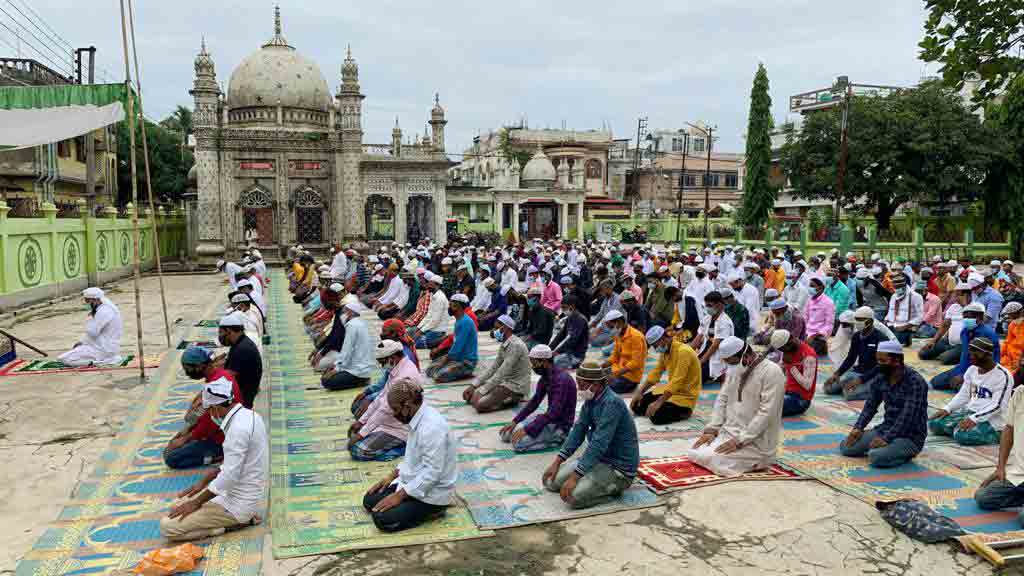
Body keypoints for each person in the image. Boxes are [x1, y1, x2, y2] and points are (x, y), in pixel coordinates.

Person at [159, 377, 268, 541]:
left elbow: (229, 477)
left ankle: (231, 525)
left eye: (209, 410)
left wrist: (197, 502)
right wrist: (205, 480)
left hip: (237, 506)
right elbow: (233, 465)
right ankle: (236, 517)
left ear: (216, 408)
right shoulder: (250, 416)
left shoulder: (237, 430)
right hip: (235, 495)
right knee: (177, 505)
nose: (209, 415)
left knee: (168, 527)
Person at [363, 379, 457, 532]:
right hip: (414, 481)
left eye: (395, 410)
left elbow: (432, 474)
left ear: (407, 406)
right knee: (369, 501)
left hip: (432, 492)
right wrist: (391, 476)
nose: (394, 414)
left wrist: (399, 496)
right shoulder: (417, 417)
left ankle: (435, 510)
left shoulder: (431, 427)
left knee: (382, 520)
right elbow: (413, 460)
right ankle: (409, 503)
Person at [542, 361, 639, 510]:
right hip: (599, 459)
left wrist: (575, 476)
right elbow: (578, 430)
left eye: (581, 384)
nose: (579, 388)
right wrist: (558, 461)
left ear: (595, 384)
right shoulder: (591, 400)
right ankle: (591, 476)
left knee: (572, 497)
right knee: (552, 483)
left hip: (618, 467)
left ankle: (614, 489)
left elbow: (599, 444)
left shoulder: (612, 403)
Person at [689, 336, 786, 477]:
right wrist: (712, 429)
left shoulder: (772, 372)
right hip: (729, 434)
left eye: (731, 362)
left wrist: (741, 440)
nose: (729, 367)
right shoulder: (735, 370)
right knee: (695, 451)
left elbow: (767, 412)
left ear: (745, 356)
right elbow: (722, 399)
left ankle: (760, 462)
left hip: (757, 442)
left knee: (714, 460)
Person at [840, 341, 929, 468]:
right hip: (886, 428)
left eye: (883, 361)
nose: (879, 365)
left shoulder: (915, 382)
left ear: (896, 360)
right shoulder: (881, 377)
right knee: (846, 447)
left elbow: (907, 418)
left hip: (910, 436)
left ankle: (906, 453)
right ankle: (889, 449)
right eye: (878, 361)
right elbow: (870, 406)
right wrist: (858, 428)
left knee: (875, 456)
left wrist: (886, 439)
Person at [164, 347, 241, 469]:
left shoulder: (214, 387)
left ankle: (217, 455)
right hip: (222, 431)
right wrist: (187, 430)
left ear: (199, 366)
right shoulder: (220, 376)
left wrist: (187, 438)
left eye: (188, 369)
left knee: (171, 458)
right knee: (175, 442)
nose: (187, 373)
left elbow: (209, 423)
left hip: (223, 439)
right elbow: (203, 413)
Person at [929, 337, 1012, 446]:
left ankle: (998, 434)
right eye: (970, 351)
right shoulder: (972, 370)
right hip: (971, 411)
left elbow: (998, 405)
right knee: (935, 424)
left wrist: (974, 419)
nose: (970, 355)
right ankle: (959, 429)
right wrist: (948, 408)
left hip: (992, 418)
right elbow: (963, 395)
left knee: (962, 435)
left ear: (988, 354)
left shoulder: (1003, 375)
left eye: (975, 352)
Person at [348, 341, 418, 461]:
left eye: (382, 362)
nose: (382, 366)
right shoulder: (396, 369)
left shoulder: (405, 374)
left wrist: (362, 434)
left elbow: (386, 409)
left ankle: (404, 448)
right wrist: (361, 421)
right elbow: (381, 397)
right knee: (356, 435)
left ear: (392, 358)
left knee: (358, 451)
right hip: (387, 423)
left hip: (399, 428)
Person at [500, 345, 577, 452]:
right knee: (507, 436)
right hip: (550, 419)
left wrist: (528, 429)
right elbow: (535, 402)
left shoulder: (561, 380)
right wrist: (515, 421)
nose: (533, 367)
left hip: (560, 425)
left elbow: (554, 412)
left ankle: (558, 438)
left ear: (544, 362)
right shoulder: (545, 378)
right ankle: (543, 435)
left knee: (519, 445)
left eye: (534, 363)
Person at [630, 326, 701, 424]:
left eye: (655, 345)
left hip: (685, 397)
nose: (655, 349)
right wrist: (640, 392)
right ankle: (664, 405)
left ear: (663, 339)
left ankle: (685, 412)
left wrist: (659, 402)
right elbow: (656, 373)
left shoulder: (684, 351)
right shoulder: (665, 353)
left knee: (656, 416)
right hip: (672, 393)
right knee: (638, 404)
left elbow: (677, 380)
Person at [463, 314, 530, 412]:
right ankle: (497, 397)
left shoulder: (516, 346)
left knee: (479, 405)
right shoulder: (504, 344)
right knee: (470, 396)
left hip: (515, 386)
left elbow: (501, 372)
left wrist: (482, 390)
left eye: (496, 328)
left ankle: (514, 399)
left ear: (506, 328)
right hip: (504, 382)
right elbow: (493, 368)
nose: (494, 331)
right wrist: (474, 385)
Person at [931, 302, 1001, 391]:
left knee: (966, 390)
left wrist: (964, 375)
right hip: (964, 367)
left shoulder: (987, 334)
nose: (966, 319)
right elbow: (965, 355)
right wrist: (961, 372)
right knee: (935, 382)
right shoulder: (965, 332)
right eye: (965, 317)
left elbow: (988, 362)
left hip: (983, 371)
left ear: (979, 317)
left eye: (969, 317)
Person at [823, 307, 887, 401]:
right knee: (828, 388)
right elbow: (851, 358)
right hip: (857, 372)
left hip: (873, 375)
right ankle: (851, 386)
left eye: (860, 320)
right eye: (856, 319)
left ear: (870, 321)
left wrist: (861, 380)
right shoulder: (856, 336)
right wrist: (837, 374)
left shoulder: (881, 338)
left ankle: (877, 390)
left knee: (849, 394)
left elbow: (881, 366)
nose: (857, 322)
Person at [58, 287, 124, 367]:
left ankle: (102, 362)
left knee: (64, 359)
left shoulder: (104, 311)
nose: (86, 304)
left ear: (95, 300)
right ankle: (106, 358)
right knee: (74, 352)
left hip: (103, 348)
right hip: (104, 346)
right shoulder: (105, 308)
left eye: (87, 301)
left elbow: (92, 332)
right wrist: (82, 342)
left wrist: (89, 319)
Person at [322, 302, 375, 391]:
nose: (343, 314)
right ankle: (361, 380)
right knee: (328, 372)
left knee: (326, 381)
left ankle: (359, 381)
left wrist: (337, 369)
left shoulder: (352, 325)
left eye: (345, 311)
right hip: (364, 370)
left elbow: (347, 351)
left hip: (357, 371)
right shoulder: (362, 323)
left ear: (351, 312)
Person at [425, 294, 478, 382]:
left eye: (451, 305)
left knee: (438, 376)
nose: (449, 308)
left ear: (459, 306)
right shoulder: (459, 320)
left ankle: (467, 372)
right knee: (429, 371)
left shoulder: (465, 322)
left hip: (466, 362)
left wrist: (444, 362)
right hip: (458, 358)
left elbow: (457, 348)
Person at [918, 281, 970, 364]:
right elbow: (945, 325)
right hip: (948, 342)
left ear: (966, 295)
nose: (955, 297)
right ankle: (949, 351)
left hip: (963, 344)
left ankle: (953, 353)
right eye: (955, 295)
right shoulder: (954, 307)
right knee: (923, 354)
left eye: (957, 295)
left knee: (944, 359)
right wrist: (934, 341)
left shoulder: (974, 308)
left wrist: (965, 304)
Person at [220, 311, 263, 409]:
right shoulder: (241, 342)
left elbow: (227, 377)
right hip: (244, 394)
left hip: (241, 401)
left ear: (229, 330)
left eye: (221, 332)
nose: (220, 336)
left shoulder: (242, 349)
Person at [770, 329, 817, 416]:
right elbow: (780, 370)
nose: (783, 352)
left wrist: (791, 366)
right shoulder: (789, 350)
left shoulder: (808, 355)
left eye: (783, 350)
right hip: (787, 392)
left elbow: (807, 385)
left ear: (789, 343)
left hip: (801, 400)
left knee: (767, 407)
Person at [601, 310, 647, 394]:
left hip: (630, 376)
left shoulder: (636, 336)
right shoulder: (618, 335)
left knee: (603, 387)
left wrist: (615, 374)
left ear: (619, 322)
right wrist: (604, 365)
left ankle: (630, 386)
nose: (611, 330)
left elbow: (635, 363)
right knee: (595, 378)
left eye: (611, 327)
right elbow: (615, 356)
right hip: (617, 371)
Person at [695, 291, 734, 385]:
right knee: (685, 368)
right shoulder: (707, 318)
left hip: (716, 356)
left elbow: (715, 345)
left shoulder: (724, 322)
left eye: (710, 305)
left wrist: (701, 361)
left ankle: (717, 375)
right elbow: (698, 337)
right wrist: (687, 353)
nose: (707, 308)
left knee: (695, 379)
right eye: (706, 305)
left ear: (719, 305)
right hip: (705, 351)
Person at [411, 273, 450, 349]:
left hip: (437, 330)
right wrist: (419, 328)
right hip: (431, 328)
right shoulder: (433, 295)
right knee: (411, 334)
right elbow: (428, 315)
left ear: (437, 285)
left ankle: (442, 339)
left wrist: (421, 331)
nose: (428, 285)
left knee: (416, 344)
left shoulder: (440, 298)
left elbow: (435, 321)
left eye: (431, 284)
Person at [550, 295, 589, 369]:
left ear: (572, 306)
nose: (563, 310)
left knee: (554, 362)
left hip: (576, 354)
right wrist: (549, 348)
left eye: (564, 307)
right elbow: (560, 335)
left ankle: (576, 363)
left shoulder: (580, 319)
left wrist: (557, 352)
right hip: (568, 351)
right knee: (547, 358)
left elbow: (572, 340)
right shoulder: (569, 318)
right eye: (562, 308)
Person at [884, 273, 923, 346]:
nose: (896, 289)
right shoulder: (894, 296)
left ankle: (908, 337)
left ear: (904, 285)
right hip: (892, 326)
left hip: (906, 327)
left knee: (893, 344)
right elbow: (891, 311)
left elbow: (920, 317)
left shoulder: (915, 296)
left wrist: (905, 327)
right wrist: (886, 320)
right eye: (895, 287)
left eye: (898, 287)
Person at [804, 277, 835, 355]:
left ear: (820, 288)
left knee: (809, 353)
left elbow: (829, 325)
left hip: (818, 336)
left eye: (812, 286)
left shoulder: (828, 302)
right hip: (807, 333)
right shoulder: (809, 300)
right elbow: (806, 318)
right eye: (809, 285)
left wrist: (815, 336)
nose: (809, 288)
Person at [1001, 302, 1024, 375]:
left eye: (1010, 314)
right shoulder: (1012, 325)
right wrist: (1001, 354)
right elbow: (1008, 341)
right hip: (1011, 358)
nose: (1008, 316)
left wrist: (1020, 360)